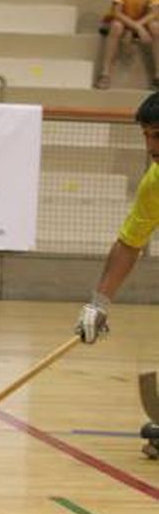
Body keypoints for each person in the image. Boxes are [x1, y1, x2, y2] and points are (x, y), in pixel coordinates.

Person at [74, 90, 159, 456]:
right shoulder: (155, 183)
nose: (151, 146)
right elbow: (130, 243)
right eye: (146, 136)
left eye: (158, 135)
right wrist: (98, 302)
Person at [95, 0, 159, 90]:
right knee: (117, 26)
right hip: (123, 20)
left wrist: (137, 27)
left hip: (142, 21)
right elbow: (116, 12)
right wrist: (136, 28)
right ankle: (105, 74)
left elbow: (154, 13)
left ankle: (157, 76)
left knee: (156, 27)